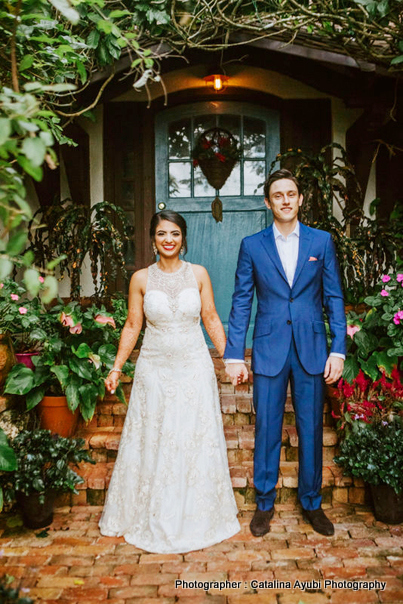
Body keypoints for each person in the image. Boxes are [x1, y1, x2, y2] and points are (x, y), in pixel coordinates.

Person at [99, 210, 240, 553]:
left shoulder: (200, 274)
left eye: (175, 234)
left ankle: (197, 516)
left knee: (192, 439)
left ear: (183, 238)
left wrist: (231, 359)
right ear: (153, 239)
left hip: (194, 367)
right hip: (155, 370)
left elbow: (210, 318)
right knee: (156, 440)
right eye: (162, 234)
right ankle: (152, 512)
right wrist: (117, 367)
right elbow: (133, 325)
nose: (169, 240)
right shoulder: (141, 279)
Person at [224, 169, 346, 537]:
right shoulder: (252, 245)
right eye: (278, 195)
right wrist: (234, 354)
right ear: (268, 202)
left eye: (291, 193)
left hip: (312, 349)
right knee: (266, 429)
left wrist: (337, 349)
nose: (286, 200)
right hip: (268, 347)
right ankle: (264, 505)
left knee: (310, 428)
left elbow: (334, 298)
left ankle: (312, 503)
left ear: (301, 199)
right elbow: (242, 300)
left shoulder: (321, 242)